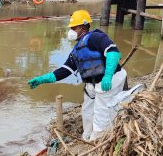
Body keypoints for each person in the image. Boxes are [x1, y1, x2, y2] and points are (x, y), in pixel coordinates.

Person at [28, 10, 127, 141]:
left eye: (74, 28)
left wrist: (108, 76)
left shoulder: (96, 37)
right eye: (71, 28)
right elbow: (65, 70)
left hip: (110, 80)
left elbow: (113, 52)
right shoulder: (76, 49)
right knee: (87, 112)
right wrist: (43, 79)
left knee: (102, 114)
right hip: (92, 84)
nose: (71, 31)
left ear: (84, 27)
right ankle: (87, 137)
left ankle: (98, 140)